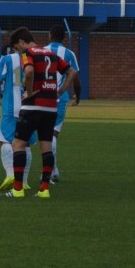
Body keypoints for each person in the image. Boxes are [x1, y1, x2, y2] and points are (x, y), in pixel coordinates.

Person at [4, 27, 77, 199]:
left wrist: (29, 92)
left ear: (21, 42)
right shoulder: (50, 53)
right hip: (51, 107)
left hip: (32, 107)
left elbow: (29, 72)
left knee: (18, 144)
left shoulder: (28, 53)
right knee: (46, 147)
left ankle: (18, 189)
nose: (17, 51)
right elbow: (71, 72)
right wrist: (60, 91)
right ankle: (44, 189)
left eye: (16, 47)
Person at [0, 48, 36, 191]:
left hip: (11, 108)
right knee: (26, 143)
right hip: (29, 107)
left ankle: (10, 174)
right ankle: (25, 181)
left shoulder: (7, 59)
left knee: (5, 140)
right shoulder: (35, 59)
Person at [46, 24, 82, 183]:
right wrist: (78, 96)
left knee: (45, 135)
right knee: (53, 133)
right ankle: (52, 170)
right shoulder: (69, 54)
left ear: (49, 36)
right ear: (64, 38)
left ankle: (49, 170)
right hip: (59, 99)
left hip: (42, 98)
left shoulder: (41, 51)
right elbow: (75, 78)